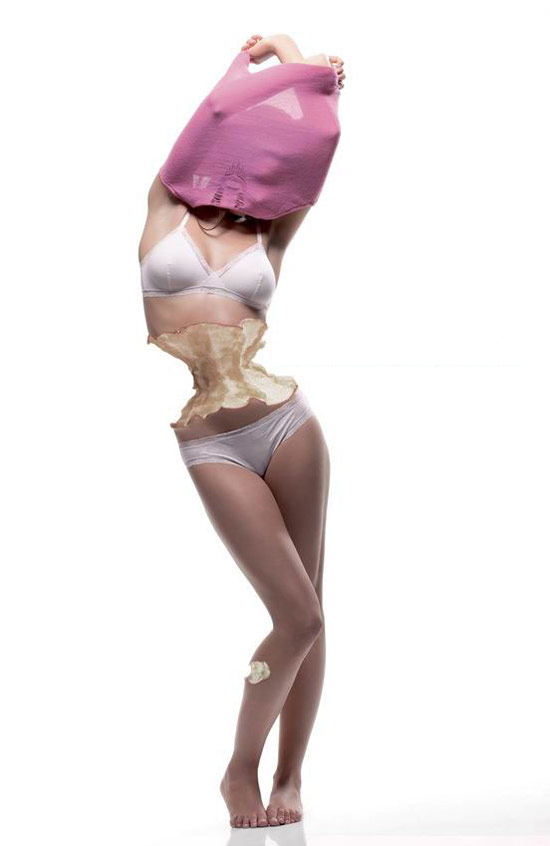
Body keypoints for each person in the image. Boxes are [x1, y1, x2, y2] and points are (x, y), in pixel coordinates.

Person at [138, 33, 345, 829]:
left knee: (309, 612)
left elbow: (313, 148)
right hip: (213, 439)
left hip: (289, 424)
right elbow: (214, 115)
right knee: (298, 616)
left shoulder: (272, 232)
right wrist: (265, 61)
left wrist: (305, 67)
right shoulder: (164, 207)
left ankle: (290, 777)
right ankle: (239, 771)